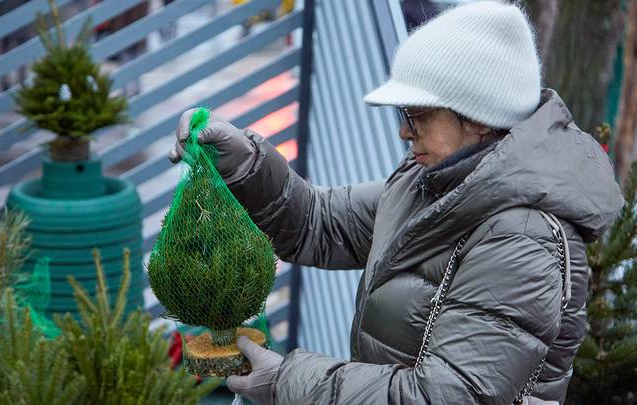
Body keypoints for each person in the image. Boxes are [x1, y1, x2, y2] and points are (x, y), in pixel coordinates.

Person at [169, 2, 623, 404]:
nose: (405, 132)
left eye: (417, 115)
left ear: (481, 118)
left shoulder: (523, 237)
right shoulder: (431, 181)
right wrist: (245, 164)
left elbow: (448, 395)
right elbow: (317, 222)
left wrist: (289, 381)